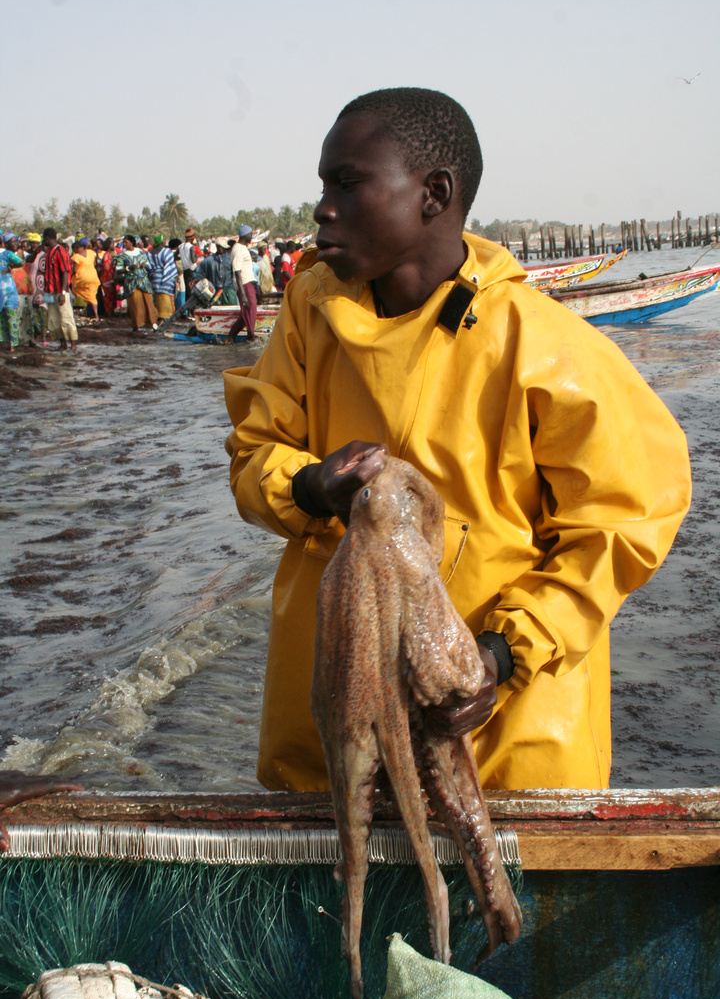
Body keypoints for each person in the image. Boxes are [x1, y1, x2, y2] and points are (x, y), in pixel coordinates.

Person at [223, 87, 692, 795]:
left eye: (347, 184)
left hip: (502, 739)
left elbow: (623, 522)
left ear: (433, 194)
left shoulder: (541, 343)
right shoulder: (308, 314)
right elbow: (254, 452)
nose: (322, 208)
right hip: (334, 723)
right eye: (322, 185)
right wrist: (310, 485)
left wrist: (501, 654)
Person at [113, 234, 157, 332]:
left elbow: (147, 264)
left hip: (143, 281)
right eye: (123, 242)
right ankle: (136, 326)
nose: (124, 244)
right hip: (131, 283)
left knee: (148, 302)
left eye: (126, 242)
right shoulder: (121, 256)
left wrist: (143, 265)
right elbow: (118, 270)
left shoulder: (140, 252)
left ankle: (152, 323)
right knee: (135, 304)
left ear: (132, 243)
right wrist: (129, 268)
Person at [43, 228, 78, 350]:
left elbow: (65, 273)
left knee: (66, 317)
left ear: (47, 238)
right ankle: (62, 343)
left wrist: (63, 292)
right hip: (50, 292)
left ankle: (73, 345)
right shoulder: (49, 252)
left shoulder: (60, 251)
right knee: (54, 320)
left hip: (60, 291)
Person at [225, 225, 258, 343]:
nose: (252, 238)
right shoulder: (238, 249)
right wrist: (243, 294)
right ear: (246, 235)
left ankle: (231, 336)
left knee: (247, 313)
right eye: (251, 235)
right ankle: (251, 336)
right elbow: (237, 272)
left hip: (247, 283)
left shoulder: (242, 248)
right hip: (244, 284)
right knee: (249, 310)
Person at [193, 237, 237, 303]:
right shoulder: (209, 260)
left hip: (228, 291)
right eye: (218, 246)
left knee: (231, 311)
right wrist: (195, 279)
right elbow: (199, 272)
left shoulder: (231, 259)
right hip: (214, 292)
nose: (220, 248)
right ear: (216, 246)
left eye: (222, 246)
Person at [0, 234, 24, 351]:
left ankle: (3, 342)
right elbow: (21, 262)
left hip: (3, 290)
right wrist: (11, 267)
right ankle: (12, 345)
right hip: (8, 288)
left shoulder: (7, 254)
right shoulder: (7, 254)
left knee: (2, 317)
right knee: (11, 316)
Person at [146, 233, 178, 321]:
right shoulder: (166, 251)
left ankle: (159, 317)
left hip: (155, 278)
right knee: (167, 299)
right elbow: (170, 265)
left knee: (158, 299)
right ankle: (167, 318)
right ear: (162, 241)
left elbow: (149, 267)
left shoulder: (149, 253)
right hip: (166, 278)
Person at [71, 237, 101, 318]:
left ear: (75, 248)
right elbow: (94, 264)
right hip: (93, 276)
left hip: (81, 277)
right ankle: (96, 315)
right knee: (92, 297)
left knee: (74, 291)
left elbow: (75, 270)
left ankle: (71, 311)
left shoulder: (76, 256)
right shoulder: (91, 252)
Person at [98, 237, 118, 317]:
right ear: (110, 245)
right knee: (109, 296)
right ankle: (109, 313)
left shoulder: (109, 254)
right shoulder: (106, 255)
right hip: (108, 278)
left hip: (110, 278)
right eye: (113, 244)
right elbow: (107, 268)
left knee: (112, 296)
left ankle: (111, 312)